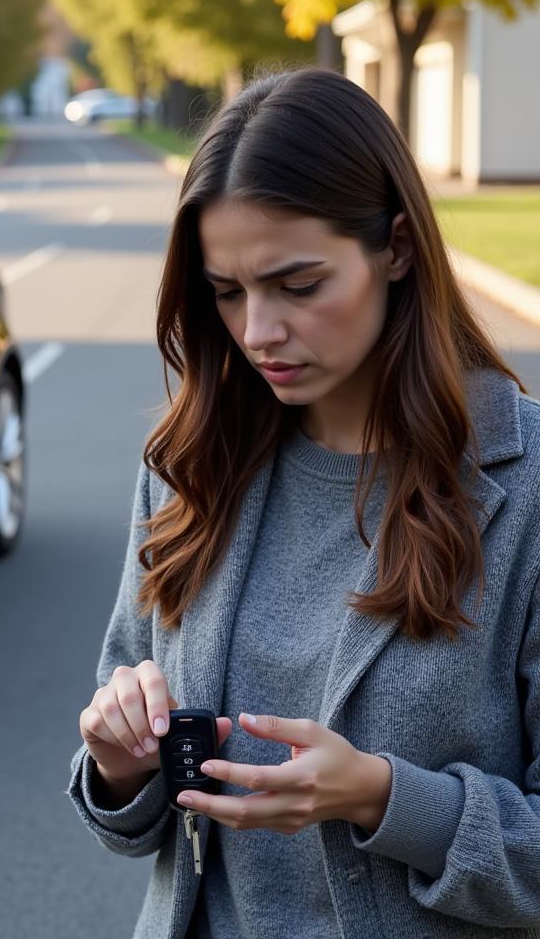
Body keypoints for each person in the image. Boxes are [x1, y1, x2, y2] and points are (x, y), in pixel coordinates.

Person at [66, 67, 540, 939]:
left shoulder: (529, 488)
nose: (257, 333)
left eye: (298, 285)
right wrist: (117, 763)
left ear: (395, 248)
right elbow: (135, 801)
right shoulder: (187, 464)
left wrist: (387, 800)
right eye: (227, 292)